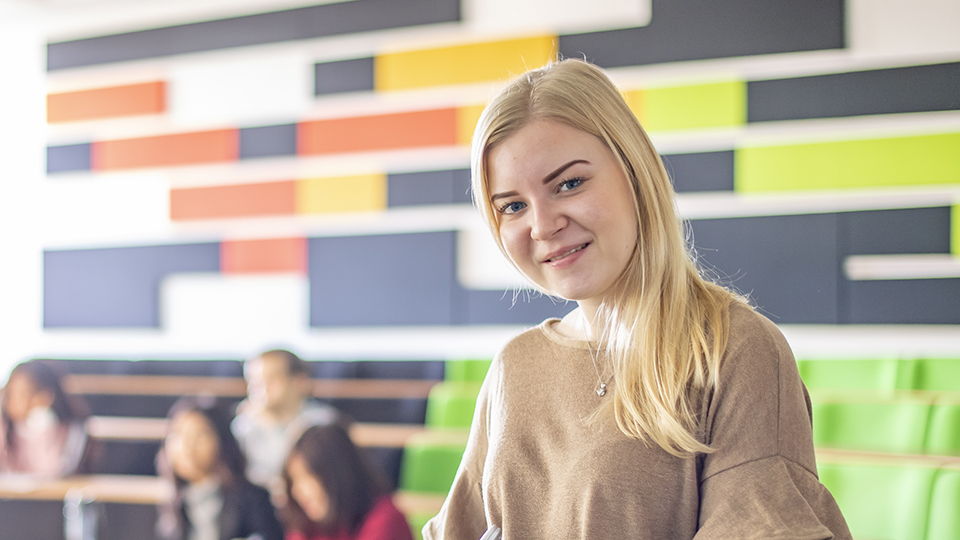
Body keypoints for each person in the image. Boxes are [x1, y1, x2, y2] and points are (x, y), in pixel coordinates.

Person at [423, 59, 851, 539]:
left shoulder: (735, 349)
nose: (542, 226)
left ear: (634, 170)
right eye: (513, 206)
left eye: (569, 183)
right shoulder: (513, 366)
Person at [156, 396, 284, 540]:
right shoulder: (175, 507)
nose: (187, 446)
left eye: (199, 434)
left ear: (221, 440)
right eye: (178, 434)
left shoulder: (253, 499)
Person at [231, 349, 339, 494]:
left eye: (271, 380)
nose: (259, 389)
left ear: (300, 381)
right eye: (254, 381)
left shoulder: (323, 424)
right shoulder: (243, 427)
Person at [282, 423, 413, 540]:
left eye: (308, 477)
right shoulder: (308, 525)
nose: (297, 492)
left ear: (337, 474)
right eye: (294, 481)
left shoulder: (385, 520)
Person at [0, 359, 92, 476]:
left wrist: (40, 429)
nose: (13, 402)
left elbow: (50, 473)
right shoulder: (5, 427)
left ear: (45, 397)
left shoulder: (71, 431)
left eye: (22, 394)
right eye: (10, 394)